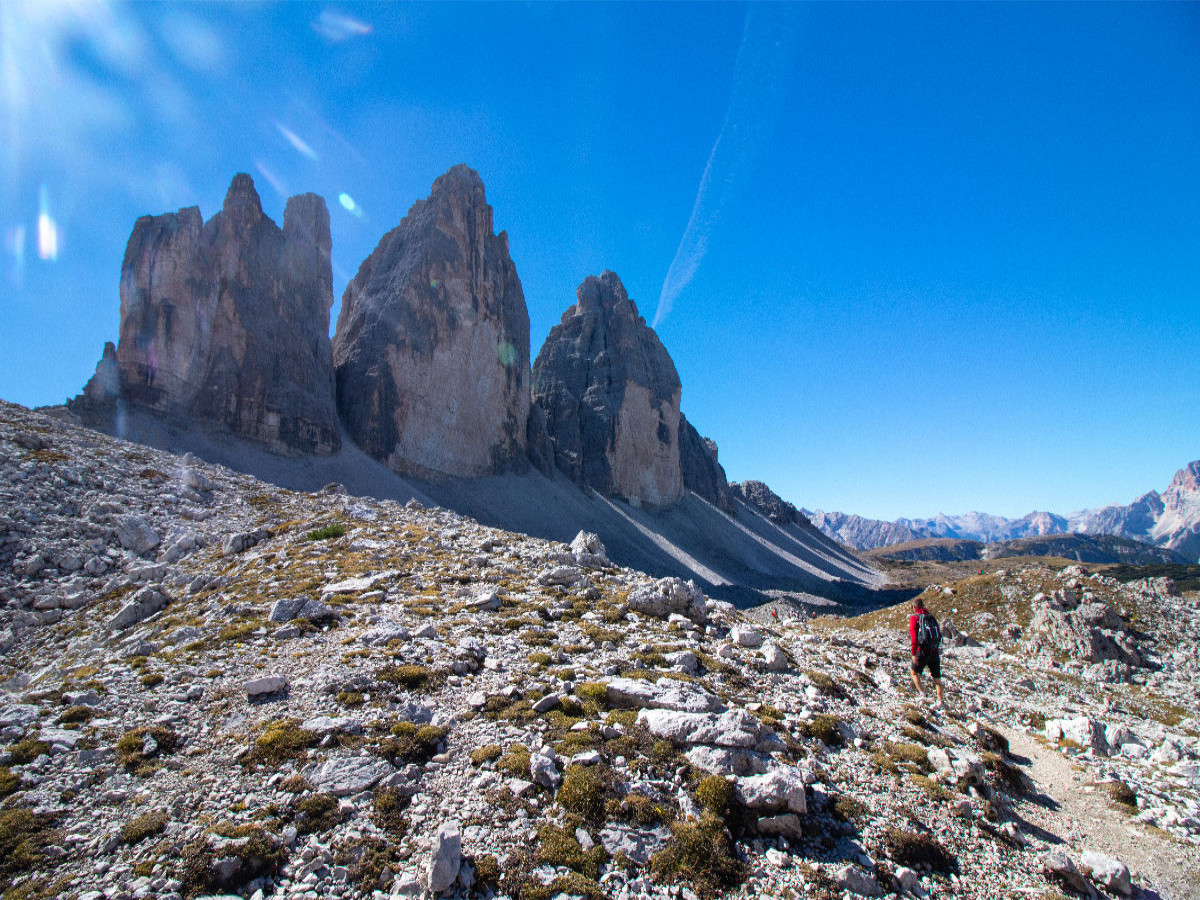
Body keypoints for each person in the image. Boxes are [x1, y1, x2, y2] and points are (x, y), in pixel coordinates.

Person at [909, 596, 945, 707]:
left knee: (914, 672)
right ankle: (940, 701)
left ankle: (922, 694)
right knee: (937, 679)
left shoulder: (915, 618)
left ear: (914, 607)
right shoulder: (930, 617)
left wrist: (914, 653)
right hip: (934, 651)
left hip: (922, 651)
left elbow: (914, 637)